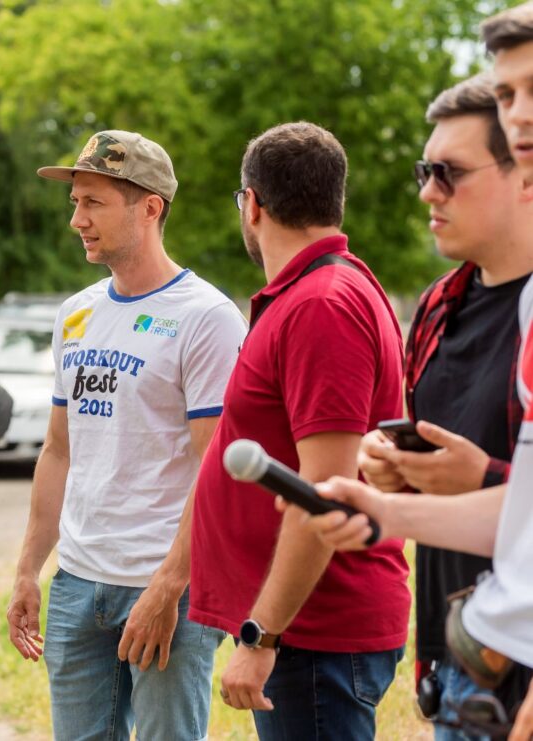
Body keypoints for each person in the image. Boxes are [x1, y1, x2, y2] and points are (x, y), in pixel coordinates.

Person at [303, 8, 533, 738]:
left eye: (449, 173)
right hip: (460, 653)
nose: (428, 192)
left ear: (517, 170)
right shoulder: (439, 306)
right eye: (423, 170)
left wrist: (484, 479)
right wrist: (386, 475)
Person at [6, 130, 248, 740]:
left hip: (167, 588)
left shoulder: (207, 318)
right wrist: (28, 569)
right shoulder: (77, 313)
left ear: (150, 207)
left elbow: (216, 465)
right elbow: (59, 451)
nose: (77, 220)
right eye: (75, 203)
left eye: (94, 203)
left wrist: (170, 584)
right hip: (78, 586)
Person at [187, 122, 409, 740]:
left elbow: (327, 487)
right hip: (309, 631)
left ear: (252, 204)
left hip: (314, 633)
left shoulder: (321, 305)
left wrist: (263, 633)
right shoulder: (319, 291)